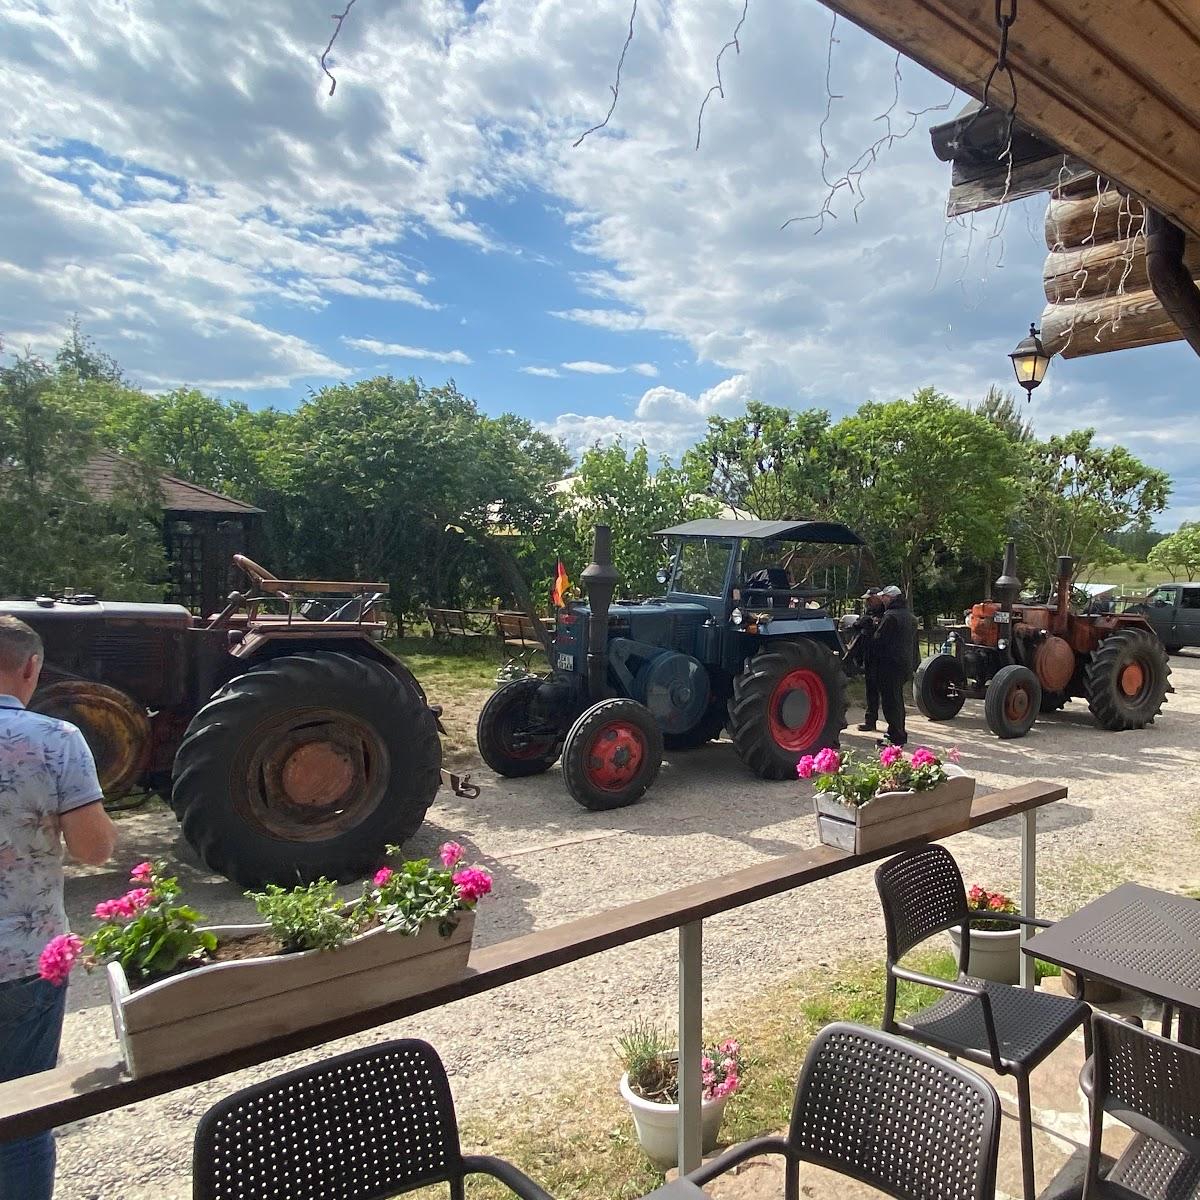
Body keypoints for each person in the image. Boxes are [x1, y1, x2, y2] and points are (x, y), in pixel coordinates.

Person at [0, 616, 118, 1200]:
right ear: (30, 668)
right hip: (22, 960)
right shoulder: (55, 740)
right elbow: (95, 851)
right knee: (20, 1115)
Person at [872, 585, 918, 747]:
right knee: (897, 699)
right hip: (904, 663)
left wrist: (874, 627)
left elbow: (879, 639)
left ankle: (896, 736)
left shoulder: (890, 616)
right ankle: (898, 731)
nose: (882, 599)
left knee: (891, 701)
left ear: (890, 598)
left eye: (884, 597)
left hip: (889, 664)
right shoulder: (909, 617)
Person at [851, 588, 886, 732]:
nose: (868, 602)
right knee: (871, 691)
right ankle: (870, 721)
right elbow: (857, 626)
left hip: (883, 657)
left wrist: (873, 624)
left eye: (870, 599)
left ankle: (894, 726)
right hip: (869, 656)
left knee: (887, 693)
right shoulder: (869, 612)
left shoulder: (886, 612)